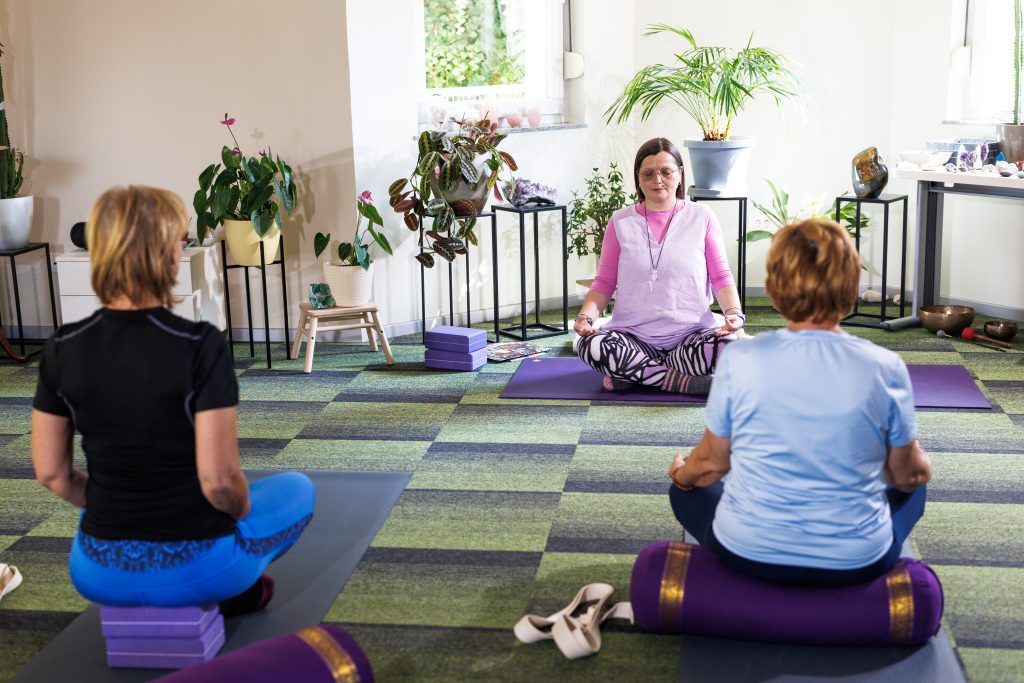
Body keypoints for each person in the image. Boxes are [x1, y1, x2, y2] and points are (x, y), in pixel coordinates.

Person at [31, 186, 315, 613]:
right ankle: (232, 584)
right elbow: (219, 482)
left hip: (97, 572)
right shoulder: (200, 344)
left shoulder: (60, 347)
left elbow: (52, 475)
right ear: (167, 257)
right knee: (296, 488)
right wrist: (237, 513)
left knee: (103, 508)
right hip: (197, 566)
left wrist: (117, 506)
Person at [668, 218, 932, 587]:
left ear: (774, 289)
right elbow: (906, 476)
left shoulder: (739, 359)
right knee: (916, 484)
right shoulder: (885, 366)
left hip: (748, 552)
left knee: (685, 491)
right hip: (856, 560)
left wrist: (681, 474)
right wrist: (917, 459)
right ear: (851, 285)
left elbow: (711, 465)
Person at [573, 137, 744, 395]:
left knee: (730, 344)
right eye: (649, 173)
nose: (658, 180)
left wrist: (735, 314)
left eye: (666, 172)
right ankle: (680, 381)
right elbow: (604, 283)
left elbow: (721, 276)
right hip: (633, 338)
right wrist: (585, 318)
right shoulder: (620, 222)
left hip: (691, 336)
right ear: (638, 177)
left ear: (680, 173)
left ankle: (635, 374)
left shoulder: (702, 217)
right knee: (589, 345)